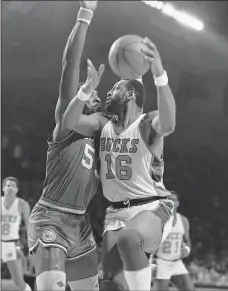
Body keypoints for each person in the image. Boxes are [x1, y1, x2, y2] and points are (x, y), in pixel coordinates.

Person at [62, 34, 176, 290]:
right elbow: (68, 122)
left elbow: (169, 124)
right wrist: (85, 90)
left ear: (130, 95)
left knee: (128, 238)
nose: (109, 92)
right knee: (110, 285)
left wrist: (159, 74)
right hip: (116, 212)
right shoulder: (102, 123)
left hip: (152, 207)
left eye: (115, 88)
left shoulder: (148, 123)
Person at [27, 1, 104, 290]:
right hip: (51, 217)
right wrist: (86, 14)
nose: (96, 98)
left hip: (80, 224)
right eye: (91, 93)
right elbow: (69, 64)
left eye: (98, 96)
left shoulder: (97, 146)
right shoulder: (65, 124)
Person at [152, 191, 195, 290]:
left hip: (176, 262)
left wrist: (187, 250)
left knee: (190, 289)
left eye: (173, 199)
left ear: (177, 203)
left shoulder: (183, 221)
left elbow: (187, 241)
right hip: (160, 262)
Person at [1, 176, 31, 291]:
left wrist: (28, 248)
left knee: (18, 281)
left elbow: (29, 227)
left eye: (13, 186)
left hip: (10, 244)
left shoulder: (22, 205)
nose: (10, 188)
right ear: (3, 188)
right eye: (8, 185)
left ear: (17, 190)